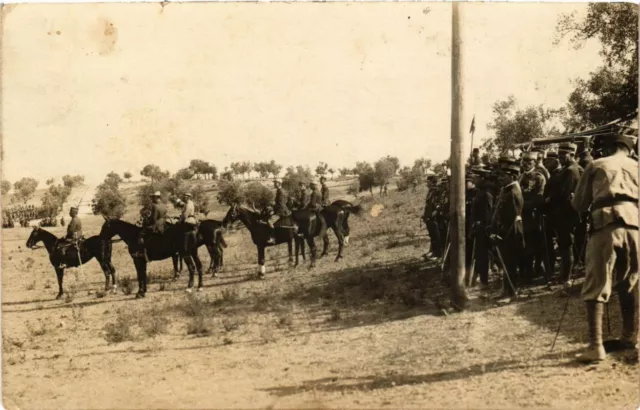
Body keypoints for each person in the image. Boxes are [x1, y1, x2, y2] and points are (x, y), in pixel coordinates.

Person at [572, 133, 638, 363]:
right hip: (634, 225)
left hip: (605, 223)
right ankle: (630, 336)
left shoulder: (597, 164)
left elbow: (578, 203)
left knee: (597, 283)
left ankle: (596, 346)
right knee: (630, 282)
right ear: (629, 149)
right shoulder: (636, 166)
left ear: (610, 148)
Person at [490, 159, 524, 300]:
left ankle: (511, 291)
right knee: (506, 261)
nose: (500, 178)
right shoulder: (507, 190)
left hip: (511, 233)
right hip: (504, 232)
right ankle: (505, 289)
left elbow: (512, 218)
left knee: (510, 263)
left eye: (503, 176)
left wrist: (501, 234)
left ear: (513, 176)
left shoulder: (513, 193)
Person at [548, 142, 581, 284]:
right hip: (566, 213)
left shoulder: (570, 171)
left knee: (566, 245)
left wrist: (550, 198)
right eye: (559, 154)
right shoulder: (573, 168)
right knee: (565, 245)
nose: (560, 158)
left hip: (566, 214)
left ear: (572, 154)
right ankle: (564, 274)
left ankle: (565, 277)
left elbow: (563, 193)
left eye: (563, 155)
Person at [519, 151, 547, 284]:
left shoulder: (538, 178)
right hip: (522, 216)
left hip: (534, 216)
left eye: (529, 162)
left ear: (534, 163)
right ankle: (526, 272)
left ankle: (534, 272)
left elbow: (539, 198)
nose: (525, 165)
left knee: (534, 245)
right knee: (524, 245)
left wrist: (523, 204)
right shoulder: (519, 178)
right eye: (524, 162)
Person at [469, 167, 493, 289]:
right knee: (479, 254)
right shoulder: (480, 191)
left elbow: (488, 211)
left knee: (482, 255)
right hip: (478, 226)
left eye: (476, 177)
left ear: (482, 178)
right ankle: (480, 277)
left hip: (483, 228)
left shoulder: (486, 192)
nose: (474, 179)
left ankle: (484, 281)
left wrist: (483, 224)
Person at [266, 179, 293, 245]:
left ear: (279, 183)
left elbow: (280, 204)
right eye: (274, 183)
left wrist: (273, 206)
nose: (274, 184)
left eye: (276, 183)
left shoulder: (280, 191)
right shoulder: (282, 190)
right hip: (283, 209)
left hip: (281, 211)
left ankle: (273, 238)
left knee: (270, 221)